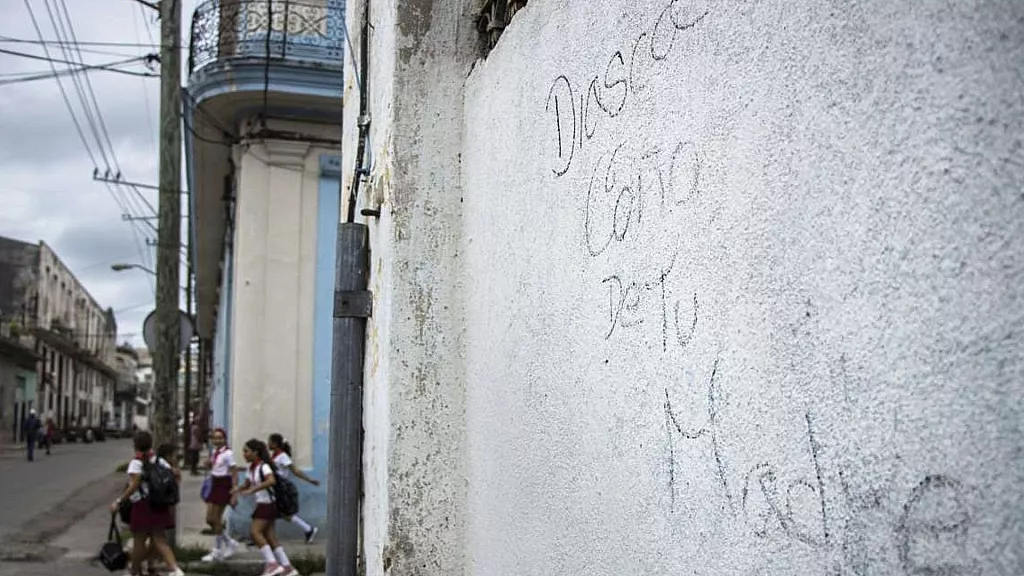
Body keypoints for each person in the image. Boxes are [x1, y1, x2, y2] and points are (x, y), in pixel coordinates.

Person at [110, 430, 185, 576]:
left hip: (142, 506)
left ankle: (133, 572)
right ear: (150, 444)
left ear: (135, 446)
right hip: (159, 504)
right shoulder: (159, 460)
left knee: (139, 541)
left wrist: (119, 501)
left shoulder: (135, 463)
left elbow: (134, 485)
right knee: (160, 540)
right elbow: (175, 474)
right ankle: (175, 570)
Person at [232, 439, 298, 576]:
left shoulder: (264, 466)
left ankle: (272, 564)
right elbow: (247, 483)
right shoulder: (252, 468)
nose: (244, 454)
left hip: (268, 504)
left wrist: (253, 490)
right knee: (270, 536)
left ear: (255, 452)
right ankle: (287, 567)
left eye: (246, 451)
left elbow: (271, 480)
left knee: (255, 533)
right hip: (263, 504)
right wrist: (238, 489)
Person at [267, 433, 320, 543]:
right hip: (274, 487)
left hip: (280, 487)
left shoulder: (283, 456)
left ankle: (309, 529)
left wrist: (310, 480)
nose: (268, 444)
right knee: (276, 513)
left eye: (270, 442)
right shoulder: (274, 456)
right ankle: (308, 529)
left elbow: (295, 470)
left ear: (275, 444)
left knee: (281, 513)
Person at [201, 428, 240, 562]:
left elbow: (234, 472)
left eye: (220, 438)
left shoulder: (228, 453)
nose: (217, 440)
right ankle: (229, 542)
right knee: (209, 519)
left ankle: (217, 550)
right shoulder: (214, 452)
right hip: (214, 483)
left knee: (216, 518)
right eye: (215, 438)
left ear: (225, 439)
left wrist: (234, 491)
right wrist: (208, 464)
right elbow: (214, 467)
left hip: (224, 485)